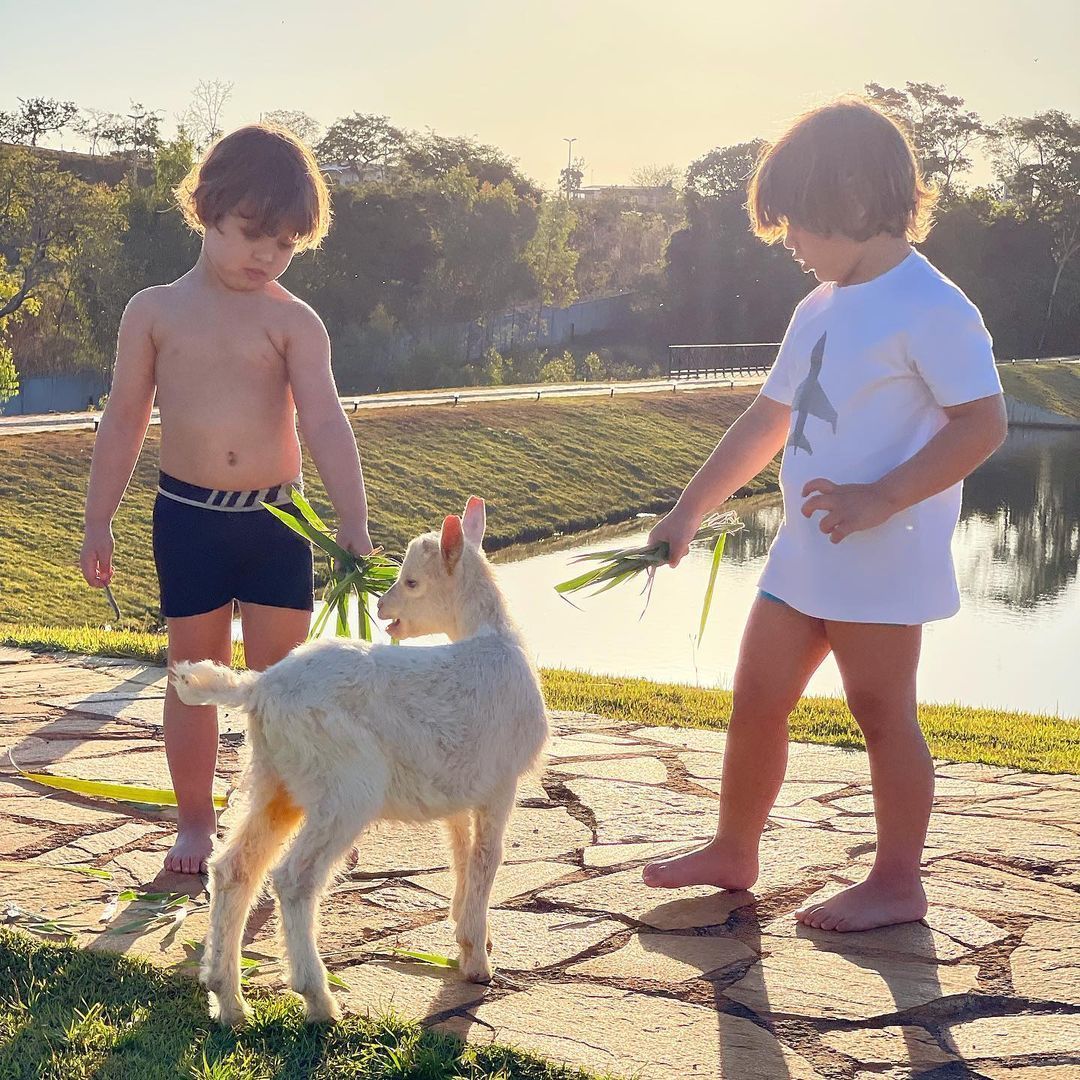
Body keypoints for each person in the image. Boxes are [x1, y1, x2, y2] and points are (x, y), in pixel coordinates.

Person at [642, 99, 1007, 931]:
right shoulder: (819, 307)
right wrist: (690, 508)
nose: (791, 248)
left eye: (797, 227)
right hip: (805, 555)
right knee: (756, 697)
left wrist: (881, 496)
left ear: (847, 200)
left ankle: (896, 882)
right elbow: (768, 420)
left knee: (881, 714)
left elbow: (984, 424)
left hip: (882, 553)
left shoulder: (934, 306)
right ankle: (735, 848)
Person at [80, 124, 372, 875]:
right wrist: (97, 520)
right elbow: (123, 420)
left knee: (284, 690)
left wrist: (354, 523)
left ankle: (278, 827)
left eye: (284, 244)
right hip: (189, 521)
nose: (266, 256)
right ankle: (193, 824)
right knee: (195, 677)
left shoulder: (292, 321)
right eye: (251, 234)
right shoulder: (153, 312)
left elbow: (326, 423)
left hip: (278, 523)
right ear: (204, 207)